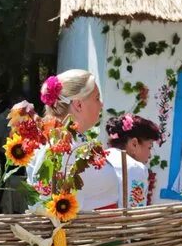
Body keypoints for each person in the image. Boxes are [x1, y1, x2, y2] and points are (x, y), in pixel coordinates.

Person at [28, 69, 120, 211]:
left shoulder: (72, 141)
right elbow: (58, 209)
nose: (101, 104)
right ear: (78, 105)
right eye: (96, 98)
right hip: (86, 231)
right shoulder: (62, 148)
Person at [105, 112, 161, 208]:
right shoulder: (135, 168)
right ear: (134, 143)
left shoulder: (99, 159)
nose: (150, 155)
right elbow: (135, 213)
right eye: (149, 147)